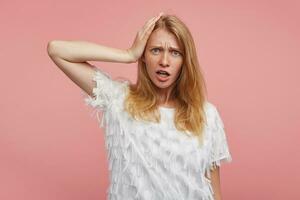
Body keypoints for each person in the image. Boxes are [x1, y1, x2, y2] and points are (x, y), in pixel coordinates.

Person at [47, 12, 232, 200]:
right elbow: (57, 50)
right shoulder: (118, 100)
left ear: (185, 61)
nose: (164, 61)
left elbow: (214, 193)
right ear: (143, 56)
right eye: (156, 50)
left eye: (175, 53)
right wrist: (128, 54)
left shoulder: (207, 115)